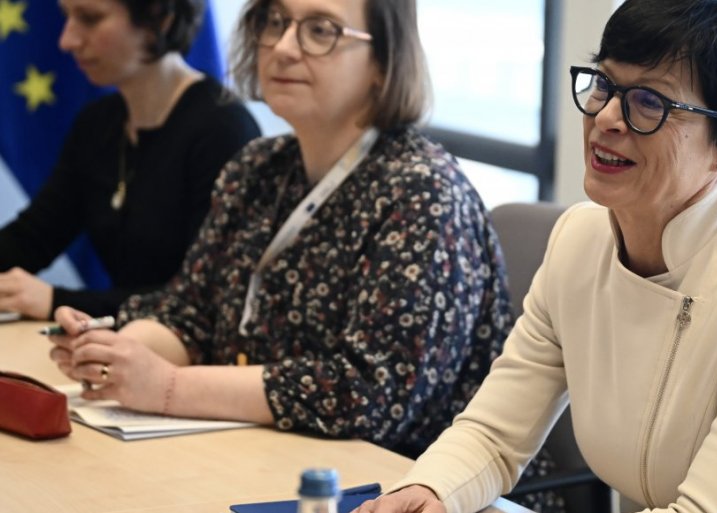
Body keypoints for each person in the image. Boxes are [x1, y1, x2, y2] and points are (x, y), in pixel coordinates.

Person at [46, 2, 562, 512]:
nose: (284, 47)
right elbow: (191, 313)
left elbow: (369, 396)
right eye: (275, 22)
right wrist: (116, 353)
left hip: (412, 492)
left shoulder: (424, 194)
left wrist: (168, 387)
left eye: (320, 30)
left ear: (383, 62)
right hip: (268, 464)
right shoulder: (257, 167)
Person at [360, 1, 717, 513]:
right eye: (604, 84)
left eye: (649, 102)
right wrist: (427, 492)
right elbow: (494, 435)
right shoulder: (578, 242)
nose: (605, 118)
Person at [0, 0, 261, 320]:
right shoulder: (98, 123)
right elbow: (33, 237)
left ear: (159, 19)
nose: (67, 41)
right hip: (118, 340)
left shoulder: (224, 131)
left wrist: (58, 301)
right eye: (67, 18)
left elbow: (207, 296)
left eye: (90, 19)